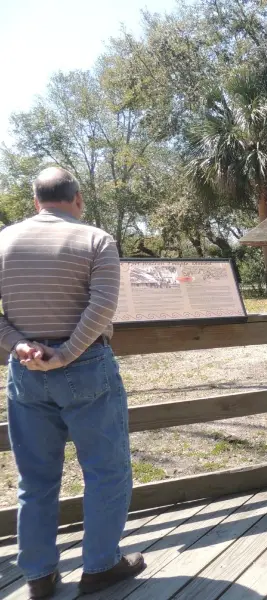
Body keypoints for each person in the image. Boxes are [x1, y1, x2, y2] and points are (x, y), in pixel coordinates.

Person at [1, 167, 144, 599]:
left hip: (26, 374)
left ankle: (39, 576)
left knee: (36, 479)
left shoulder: (3, 241)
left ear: (35, 202)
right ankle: (100, 565)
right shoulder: (96, 240)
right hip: (87, 369)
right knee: (105, 471)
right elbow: (101, 307)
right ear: (77, 199)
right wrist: (65, 354)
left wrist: (21, 347)